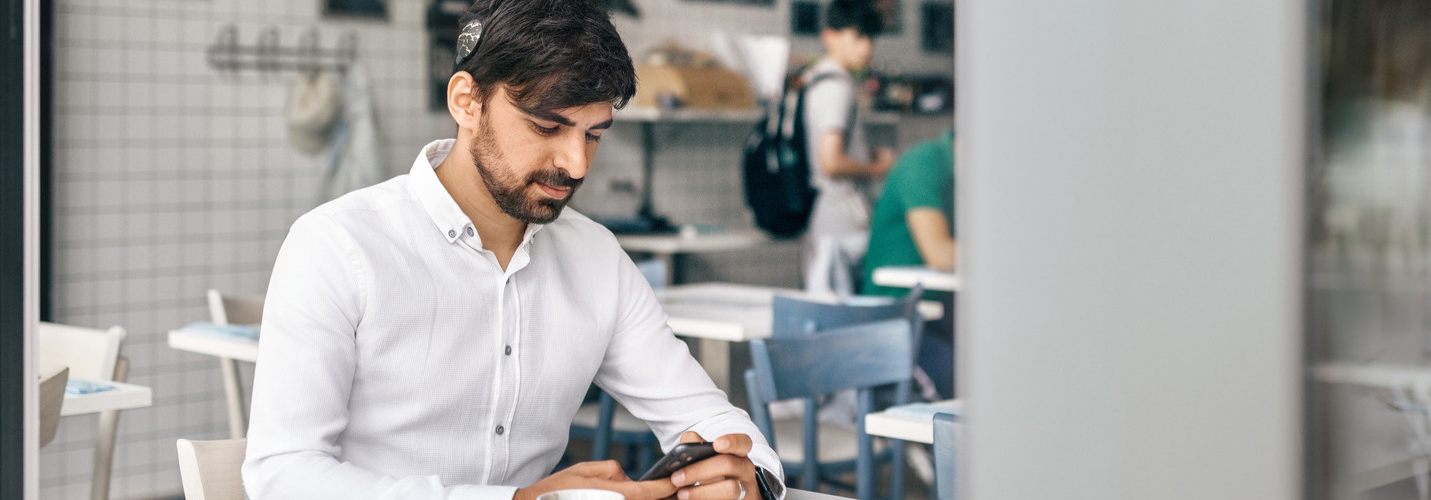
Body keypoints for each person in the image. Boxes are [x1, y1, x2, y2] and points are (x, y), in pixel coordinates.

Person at [242, 2, 784, 500]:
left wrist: (745, 478)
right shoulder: (337, 246)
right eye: (547, 127)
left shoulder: (596, 257)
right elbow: (283, 473)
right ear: (466, 101)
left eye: (594, 134)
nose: (576, 164)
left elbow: (706, 415)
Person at [800, 0, 894, 297]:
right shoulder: (836, 86)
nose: (866, 47)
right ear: (830, 37)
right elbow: (831, 161)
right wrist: (876, 168)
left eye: (870, 38)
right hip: (839, 223)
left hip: (825, 221)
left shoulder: (814, 80)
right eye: (857, 37)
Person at [860, 131, 955, 400]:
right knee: (962, 375)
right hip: (895, 317)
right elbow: (940, 253)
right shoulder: (922, 164)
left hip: (940, 310)